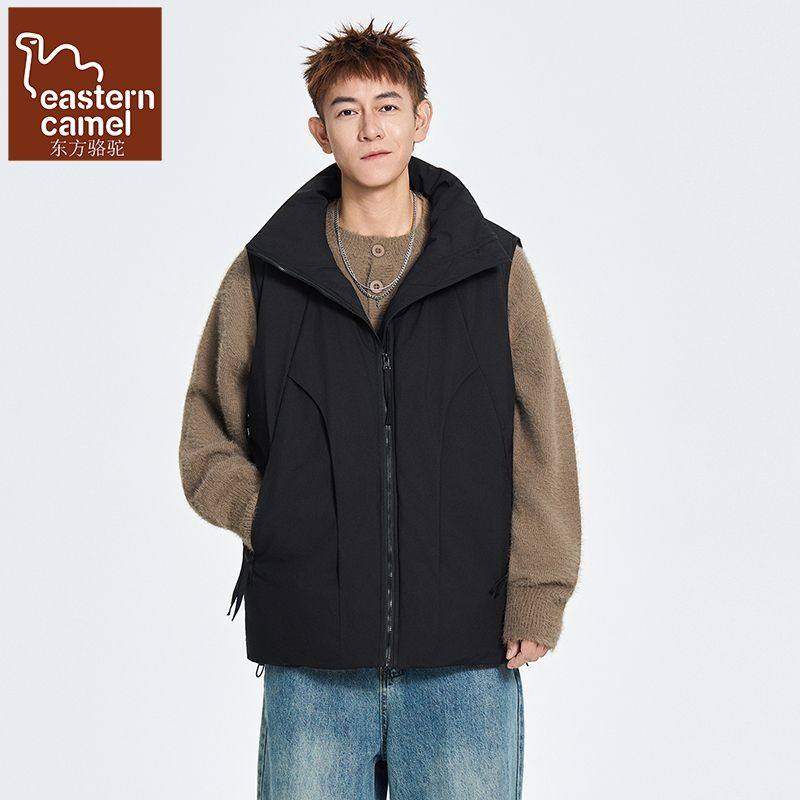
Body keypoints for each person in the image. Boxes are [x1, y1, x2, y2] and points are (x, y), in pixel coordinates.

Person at [178, 18, 581, 800]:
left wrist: (540, 590)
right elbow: (205, 435)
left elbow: (541, 434)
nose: (370, 128)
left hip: (466, 655)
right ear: (319, 132)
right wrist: (272, 515)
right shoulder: (267, 272)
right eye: (347, 110)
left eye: (388, 106)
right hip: (312, 659)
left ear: (420, 119)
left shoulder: (493, 267)